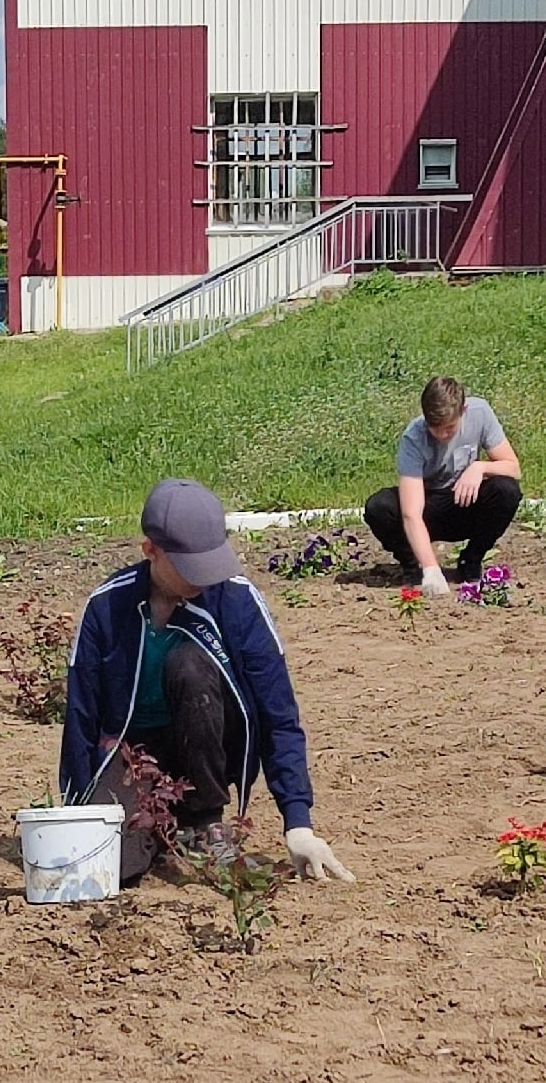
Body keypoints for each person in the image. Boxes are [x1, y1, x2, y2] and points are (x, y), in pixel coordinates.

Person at [64, 479, 353, 886]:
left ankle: (204, 819)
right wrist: (75, 813)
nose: (205, 578)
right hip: (139, 756)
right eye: (190, 567)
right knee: (115, 868)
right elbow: (81, 717)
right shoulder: (106, 608)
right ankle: (161, 828)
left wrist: (298, 823)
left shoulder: (237, 602)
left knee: (189, 665)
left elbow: (278, 716)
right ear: (151, 551)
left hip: (214, 745)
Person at [364, 377, 522, 596]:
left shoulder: (480, 413)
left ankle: (471, 560)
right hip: (429, 506)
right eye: (434, 428)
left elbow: (513, 468)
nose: (441, 434)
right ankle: (412, 565)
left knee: (506, 490)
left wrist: (480, 468)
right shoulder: (414, 437)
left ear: (463, 411)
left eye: (449, 428)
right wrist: (431, 568)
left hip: (464, 501)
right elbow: (411, 513)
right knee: (379, 506)